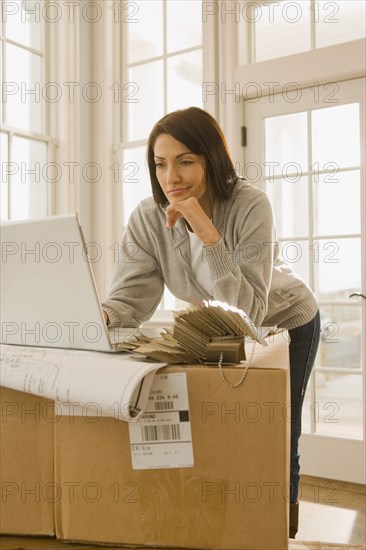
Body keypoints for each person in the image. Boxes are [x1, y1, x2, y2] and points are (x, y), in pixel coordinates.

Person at [102, 106, 320, 538]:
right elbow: (129, 297)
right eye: (160, 164)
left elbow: (249, 309)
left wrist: (205, 228)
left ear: (211, 158)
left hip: (284, 321)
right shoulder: (149, 217)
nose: (171, 177)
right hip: (220, 327)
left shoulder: (249, 204)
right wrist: (100, 316)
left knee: (280, 427)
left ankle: (281, 526)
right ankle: (227, 521)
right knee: (225, 424)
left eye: (185, 161)